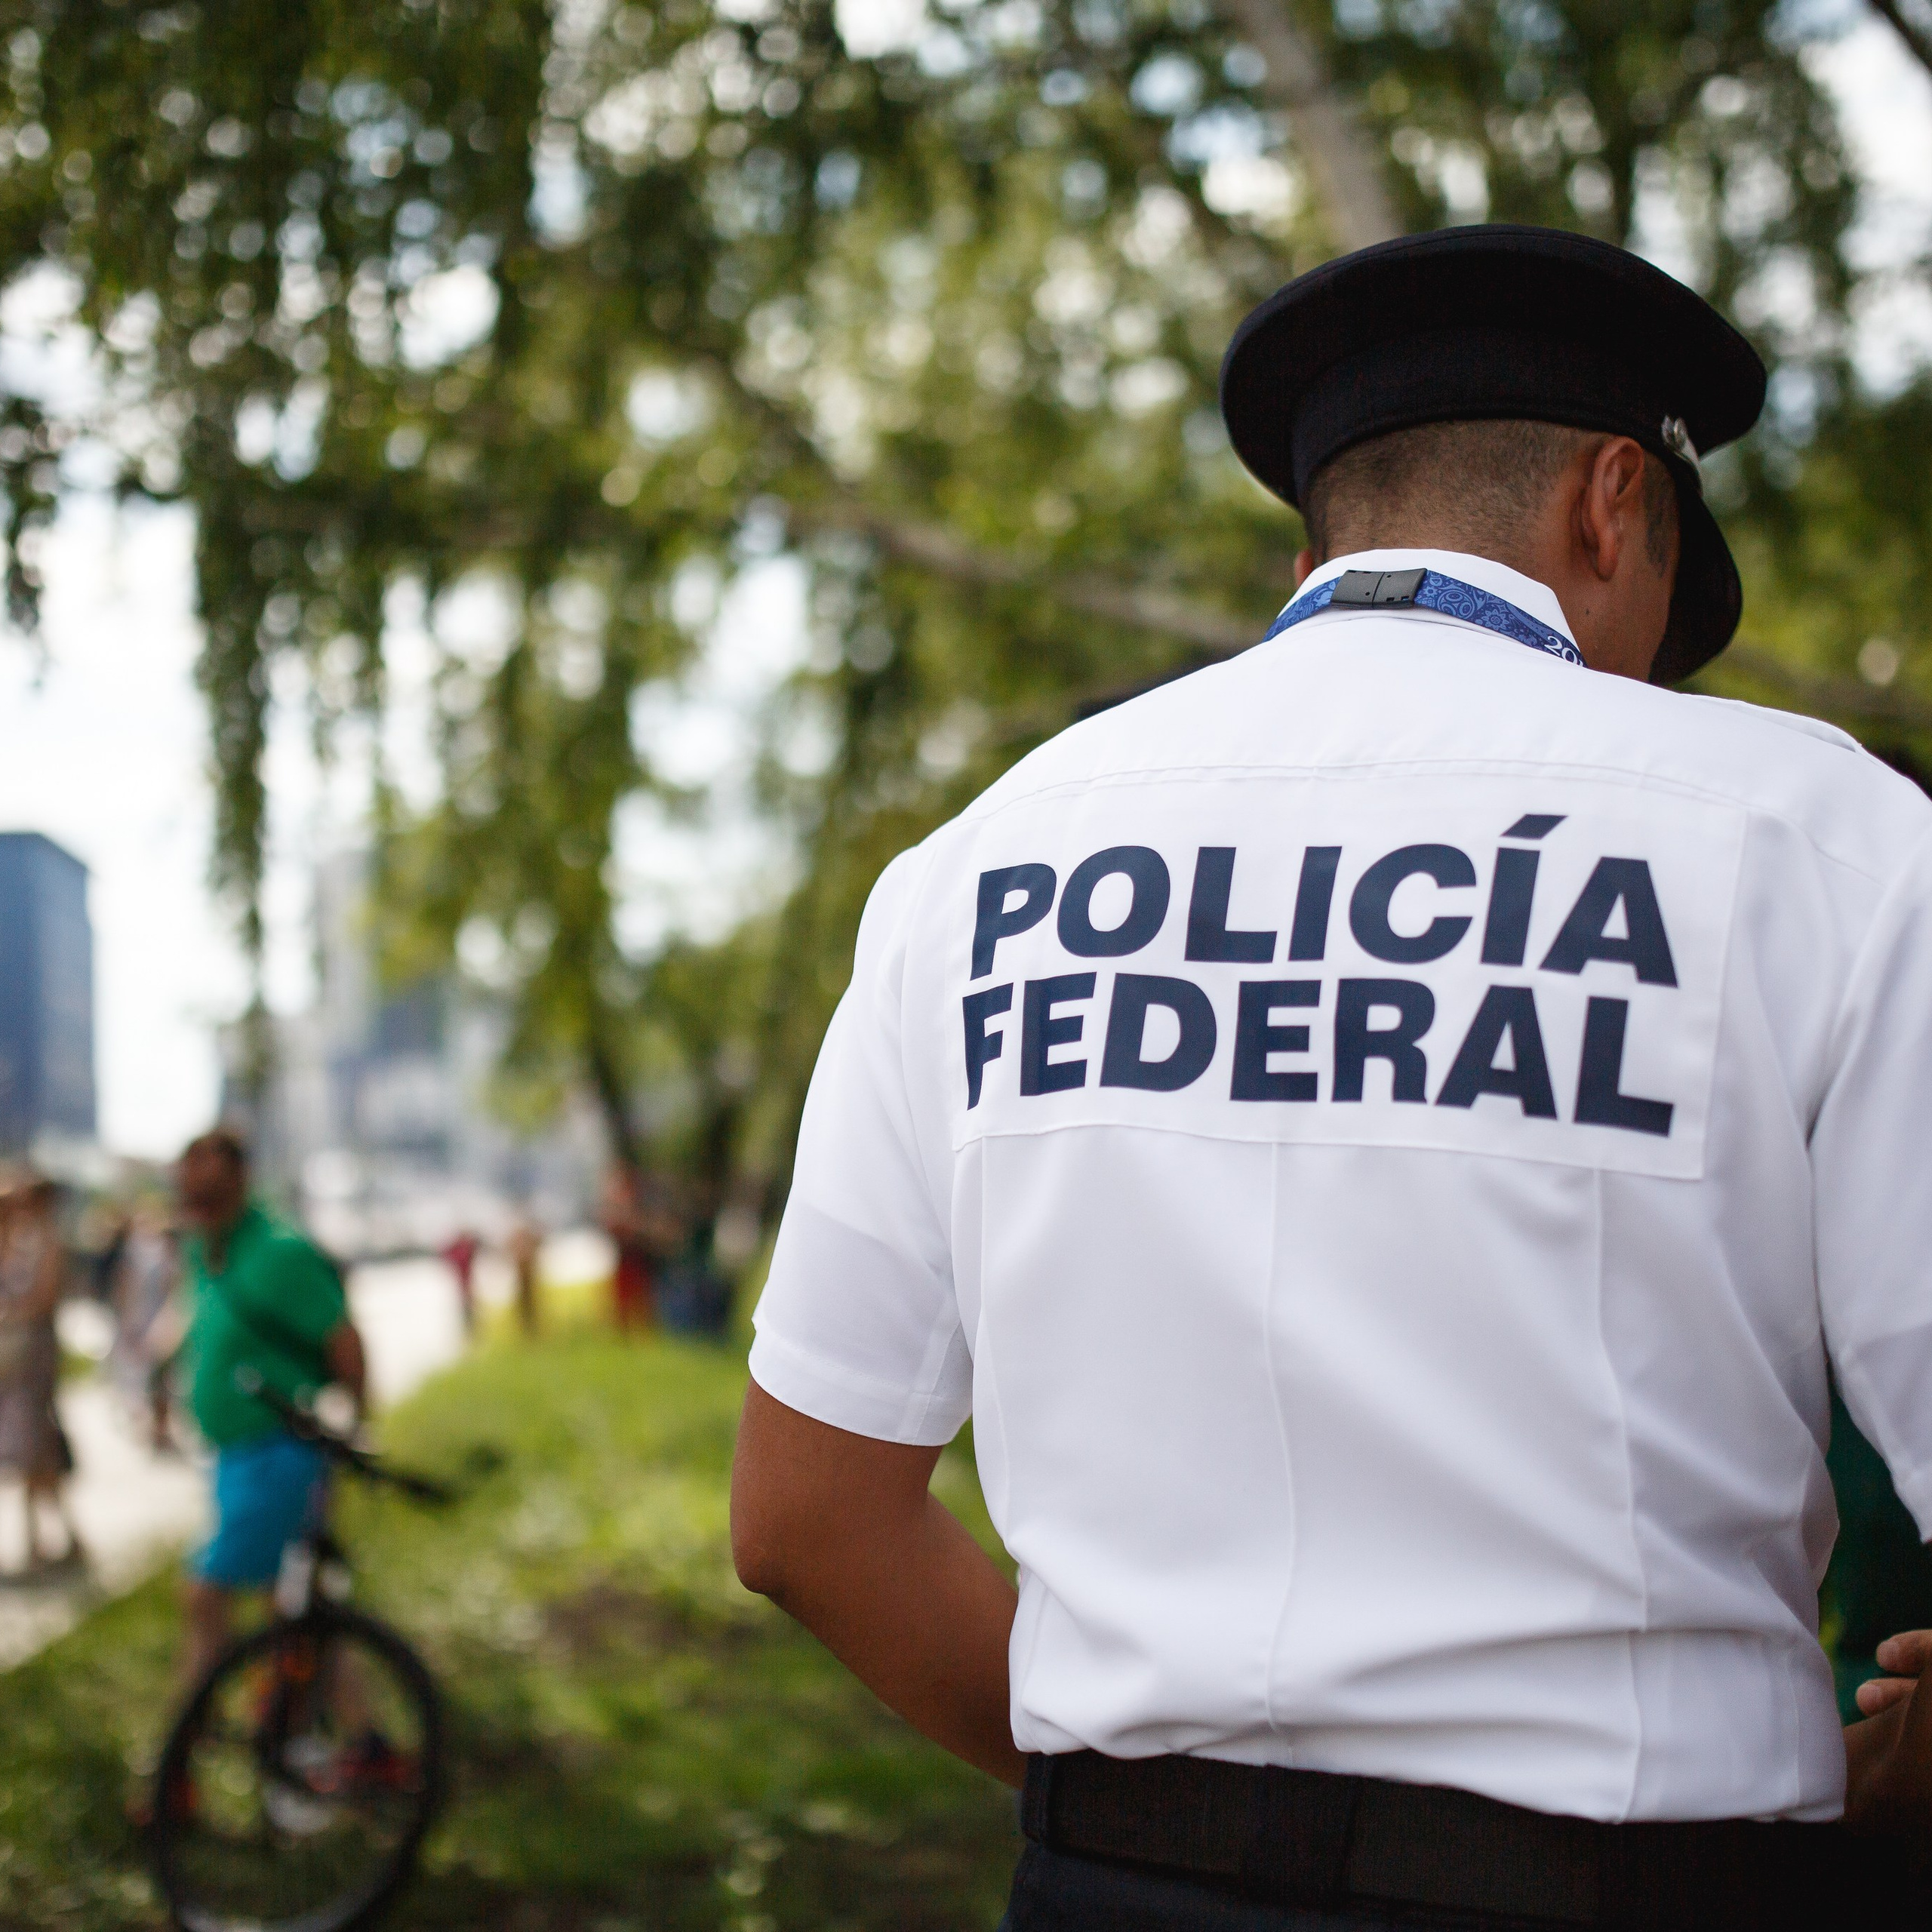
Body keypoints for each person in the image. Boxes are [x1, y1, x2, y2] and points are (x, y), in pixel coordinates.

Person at [731, 225, 1932, 1929]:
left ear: (1314, 536)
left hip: (1104, 1891)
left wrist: (1143, 1781)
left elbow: (800, 1513)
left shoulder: (976, 870)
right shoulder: (1831, 843)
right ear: (1610, 504)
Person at [174, 1128, 367, 1686]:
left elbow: (344, 1341)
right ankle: (332, 1730)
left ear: (240, 1181)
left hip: (278, 1453)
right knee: (292, 1605)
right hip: (236, 1455)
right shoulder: (207, 1248)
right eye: (189, 1191)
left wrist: (357, 1426)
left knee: (205, 1595)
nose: (196, 1203)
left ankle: (184, 1748)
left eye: (209, 1190)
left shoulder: (280, 1251)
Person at [0, 1174, 82, 1573]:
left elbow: (42, 1300)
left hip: (32, 1359)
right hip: (16, 1362)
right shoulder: (18, 1243)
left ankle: (36, 1542)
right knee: (39, 1453)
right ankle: (65, 1538)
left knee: (34, 1450)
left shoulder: (48, 1242)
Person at [441, 1228, 481, 1338]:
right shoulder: (462, 1250)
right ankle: (470, 1330)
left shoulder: (463, 1250)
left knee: (469, 1306)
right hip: (463, 1284)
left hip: (466, 1283)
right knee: (467, 1307)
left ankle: (472, 1330)